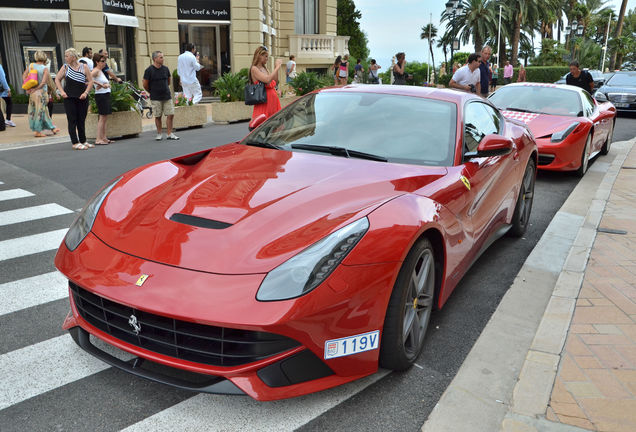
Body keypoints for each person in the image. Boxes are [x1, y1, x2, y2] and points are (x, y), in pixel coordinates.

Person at [55, 48, 93, 149]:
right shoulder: (65, 67)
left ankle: (83, 140)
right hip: (69, 98)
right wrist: (62, 92)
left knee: (81, 120)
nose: (65, 58)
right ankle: (75, 142)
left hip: (82, 97)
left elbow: (90, 81)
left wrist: (85, 93)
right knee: (72, 120)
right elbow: (57, 79)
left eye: (67, 56)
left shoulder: (84, 67)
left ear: (73, 57)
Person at [143, 51, 179, 141]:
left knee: (170, 114)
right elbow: (145, 84)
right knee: (158, 116)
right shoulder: (149, 70)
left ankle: (169, 133)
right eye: (161, 57)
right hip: (155, 97)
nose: (163, 59)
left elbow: (169, 81)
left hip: (167, 96)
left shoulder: (165, 69)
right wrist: (151, 91)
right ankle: (159, 133)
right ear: (155, 59)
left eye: (163, 57)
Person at [23, 51, 59, 138]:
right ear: (44, 58)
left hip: (32, 93)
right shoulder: (45, 68)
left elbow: (24, 75)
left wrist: (28, 87)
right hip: (41, 93)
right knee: (40, 112)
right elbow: (43, 83)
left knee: (36, 111)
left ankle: (51, 128)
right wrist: (36, 89)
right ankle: (38, 131)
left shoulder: (31, 66)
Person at [249, 46, 282, 125]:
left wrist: (275, 68)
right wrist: (277, 67)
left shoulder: (265, 68)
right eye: (266, 56)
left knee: (275, 127)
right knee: (264, 125)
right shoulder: (254, 69)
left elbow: (274, 81)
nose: (267, 58)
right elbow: (267, 80)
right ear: (259, 56)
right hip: (264, 103)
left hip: (273, 102)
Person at [91, 53, 114, 145]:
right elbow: (87, 78)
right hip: (101, 95)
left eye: (105, 61)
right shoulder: (96, 70)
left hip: (105, 94)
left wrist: (104, 85)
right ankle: (98, 138)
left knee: (104, 117)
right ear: (97, 62)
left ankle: (103, 137)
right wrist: (100, 85)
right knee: (102, 117)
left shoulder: (100, 71)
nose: (104, 63)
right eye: (102, 61)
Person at [0, 63, 13, 129]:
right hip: (2, 90)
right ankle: (8, 120)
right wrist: (8, 89)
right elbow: (2, 79)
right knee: (9, 102)